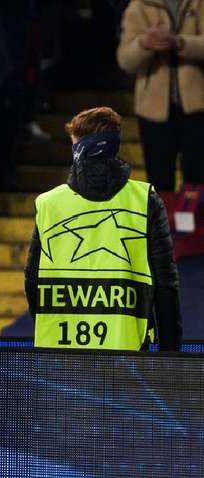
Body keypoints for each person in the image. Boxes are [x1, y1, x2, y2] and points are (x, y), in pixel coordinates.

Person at [24, 106, 182, 352]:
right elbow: (165, 285)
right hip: (129, 353)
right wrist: (170, 353)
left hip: (61, 355)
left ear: (80, 149)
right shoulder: (144, 199)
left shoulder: (49, 203)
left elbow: (32, 281)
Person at [117, 0, 204, 194]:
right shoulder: (139, 6)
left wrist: (180, 42)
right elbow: (125, 60)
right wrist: (144, 44)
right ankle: (164, 224)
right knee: (159, 182)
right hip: (152, 112)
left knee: (197, 182)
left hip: (198, 108)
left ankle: (195, 224)